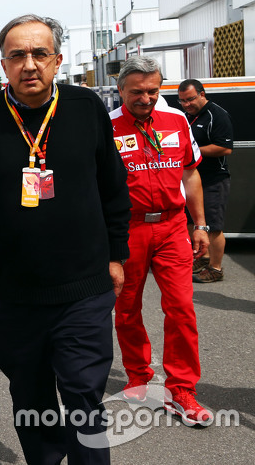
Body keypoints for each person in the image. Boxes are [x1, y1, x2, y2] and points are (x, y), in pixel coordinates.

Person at [0, 14, 131, 465]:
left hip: (84, 287)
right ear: (4, 64)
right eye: (17, 56)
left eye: (40, 54)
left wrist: (117, 255)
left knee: (82, 396)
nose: (29, 64)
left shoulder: (86, 107)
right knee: (31, 402)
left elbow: (113, 187)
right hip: (13, 295)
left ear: (57, 60)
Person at [111, 56, 213, 427]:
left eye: (154, 90)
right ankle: (139, 375)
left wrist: (199, 224)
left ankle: (182, 389)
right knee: (126, 307)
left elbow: (190, 174)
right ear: (120, 89)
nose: (147, 98)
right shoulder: (105, 127)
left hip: (172, 228)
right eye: (137, 92)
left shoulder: (176, 120)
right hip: (128, 231)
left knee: (182, 308)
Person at [177, 79, 233, 283]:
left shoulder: (216, 115)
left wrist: (192, 151)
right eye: (182, 100)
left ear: (202, 94)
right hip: (191, 179)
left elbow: (225, 148)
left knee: (214, 227)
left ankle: (216, 269)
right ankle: (203, 259)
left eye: (190, 99)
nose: (186, 104)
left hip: (213, 180)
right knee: (191, 222)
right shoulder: (185, 116)